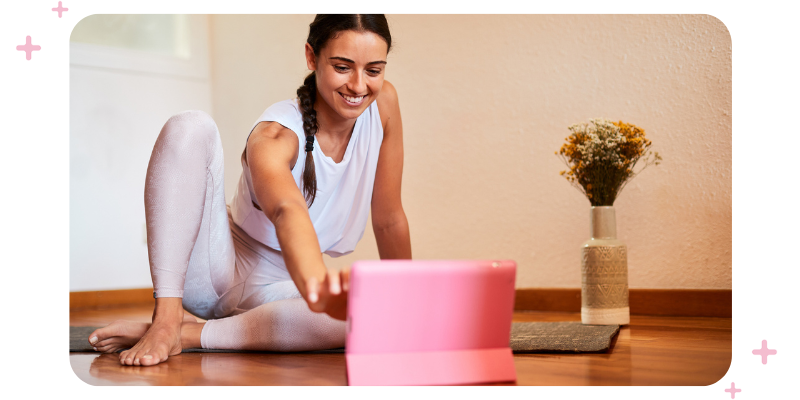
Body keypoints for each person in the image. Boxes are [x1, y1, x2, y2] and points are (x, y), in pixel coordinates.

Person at [86, 14, 411, 367]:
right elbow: (288, 209)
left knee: (371, 313)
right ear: (311, 57)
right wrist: (317, 286)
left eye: (374, 70)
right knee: (191, 127)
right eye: (343, 67)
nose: (359, 86)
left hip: (279, 292)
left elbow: (389, 218)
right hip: (215, 271)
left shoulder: (384, 105)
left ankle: (189, 334)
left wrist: (411, 301)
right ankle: (166, 318)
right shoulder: (275, 135)